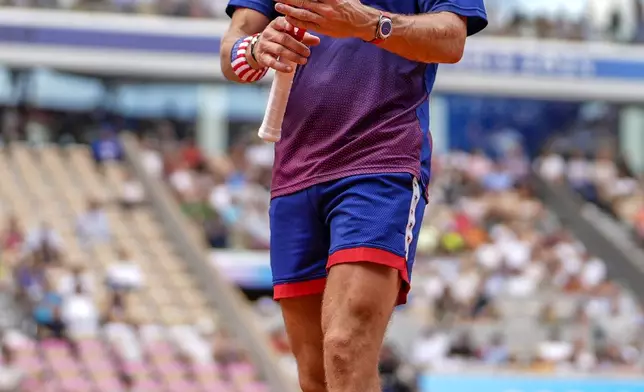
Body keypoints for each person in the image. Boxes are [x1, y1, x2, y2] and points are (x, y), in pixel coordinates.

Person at [221, 1, 487, 391]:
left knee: (346, 347)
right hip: (296, 168)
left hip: (381, 160)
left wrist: (368, 23)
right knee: (315, 377)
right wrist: (257, 48)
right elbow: (233, 49)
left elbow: (451, 38)